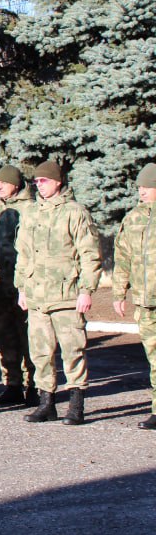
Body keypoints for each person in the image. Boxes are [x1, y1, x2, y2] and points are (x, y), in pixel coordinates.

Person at [16, 160, 101, 425]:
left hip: (66, 294)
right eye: (36, 182)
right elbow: (24, 254)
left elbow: (89, 254)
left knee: (73, 351)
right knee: (40, 352)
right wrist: (22, 288)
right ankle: (47, 403)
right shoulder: (31, 213)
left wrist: (86, 290)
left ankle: (76, 405)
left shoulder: (75, 212)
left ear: (58, 182)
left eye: (44, 181)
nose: (39, 185)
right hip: (38, 295)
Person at [0, 165, 36, 405]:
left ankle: (34, 384)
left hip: (23, 282)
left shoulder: (32, 209)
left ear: (17, 184)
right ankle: (12, 384)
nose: (0, 186)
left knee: (29, 336)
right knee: (4, 335)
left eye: (4, 183)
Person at [112, 163, 156, 430]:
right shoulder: (133, 218)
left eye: (148, 187)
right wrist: (119, 292)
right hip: (144, 301)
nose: (142, 192)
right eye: (140, 187)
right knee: (153, 357)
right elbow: (123, 258)